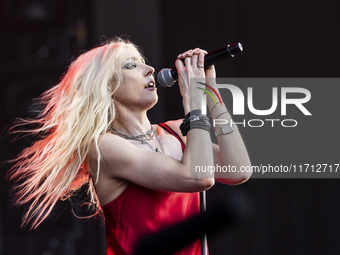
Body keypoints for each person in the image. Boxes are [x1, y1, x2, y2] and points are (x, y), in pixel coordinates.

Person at [8, 37, 252, 255]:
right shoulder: (104, 147)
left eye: (143, 62)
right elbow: (199, 179)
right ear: (107, 87)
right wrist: (192, 102)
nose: (150, 69)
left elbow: (238, 169)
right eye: (131, 65)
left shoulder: (179, 130)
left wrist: (211, 93)